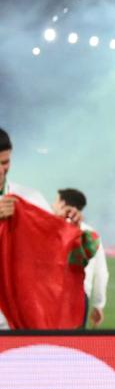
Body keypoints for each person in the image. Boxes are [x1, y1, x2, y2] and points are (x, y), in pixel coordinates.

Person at [0, 127, 50, 330]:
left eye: (5, 162)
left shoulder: (30, 199)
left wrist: (71, 228)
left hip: (17, 318)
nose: (1, 170)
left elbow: (55, 249)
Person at [51, 188, 109, 328]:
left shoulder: (51, 229)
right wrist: (98, 304)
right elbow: (101, 273)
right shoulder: (92, 234)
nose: (52, 204)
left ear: (62, 204)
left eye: (55, 201)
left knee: (47, 339)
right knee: (75, 339)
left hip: (53, 294)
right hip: (81, 297)